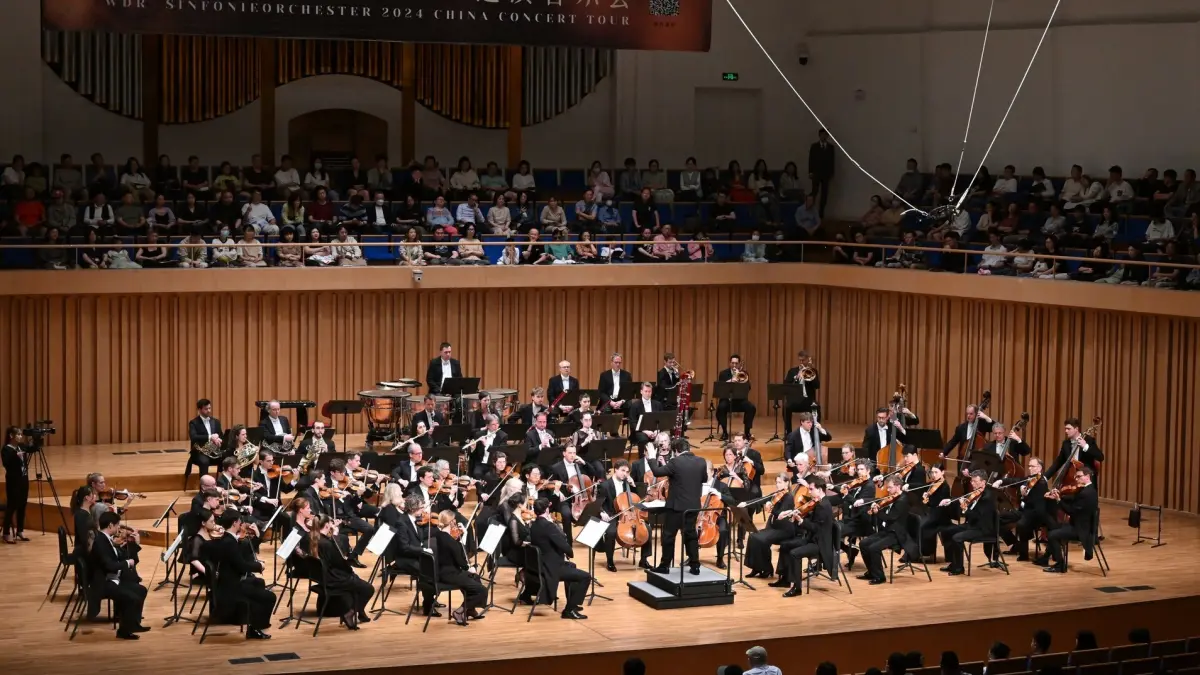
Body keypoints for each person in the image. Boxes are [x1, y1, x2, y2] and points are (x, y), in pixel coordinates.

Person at [208, 510, 275, 639]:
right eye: (239, 521)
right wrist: (258, 566)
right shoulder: (229, 543)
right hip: (231, 589)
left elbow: (241, 556)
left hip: (227, 584)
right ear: (234, 523)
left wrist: (257, 538)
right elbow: (241, 566)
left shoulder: (227, 539)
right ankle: (255, 629)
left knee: (257, 584)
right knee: (269, 597)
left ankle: (254, 625)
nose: (241, 524)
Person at [650, 437, 710, 574]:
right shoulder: (701, 461)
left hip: (676, 507)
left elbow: (657, 472)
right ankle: (695, 565)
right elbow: (704, 479)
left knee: (668, 535)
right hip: (693, 506)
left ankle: (665, 565)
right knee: (690, 535)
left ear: (676, 450)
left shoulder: (675, 462)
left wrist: (652, 458)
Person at [91, 511, 151, 639]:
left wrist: (133, 544)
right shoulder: (100, 541)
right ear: (110, 525)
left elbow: (119, 557)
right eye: (117, 525)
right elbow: (109, 565)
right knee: (131, 597)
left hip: (112, 579)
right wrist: (127, 563)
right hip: (104, 584)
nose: (119, 528)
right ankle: (124, 631)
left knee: (141, 590)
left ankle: (133, 624)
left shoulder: (105, 539)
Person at [529, 497, 591, 620]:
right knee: (586, 577)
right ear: (547, 510)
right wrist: (568, 549)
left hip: (542, 564)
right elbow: (564, 545)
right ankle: (569, 610)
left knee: (572, 567)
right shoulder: (548, 526)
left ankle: (572, 603)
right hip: (552, 568)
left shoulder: (534, 525)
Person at [309, 515, 373, 629]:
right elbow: (340, 561)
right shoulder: (326, 544)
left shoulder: (317, 539)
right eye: (330, 522)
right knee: (368, 589)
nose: (332, 524)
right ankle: (349, 613)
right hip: (335, 579)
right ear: (327, 525)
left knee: (357, 582)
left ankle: (360, 612)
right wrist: (336, 535)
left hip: (327, 576)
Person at [938, 470, 999, 575]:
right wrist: (950, 501)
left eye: (975, 481)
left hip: (982, 529)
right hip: (972, 525)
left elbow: (977, 516)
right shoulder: (976, 493)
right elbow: (964, 500)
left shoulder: (987, 497)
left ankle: (959, 568)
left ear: (983, 482)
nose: (972, 483)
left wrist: (966, 509)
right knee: (947, 531)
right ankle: (953, 562)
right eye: (972, 481)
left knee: (957, 538)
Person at [1041, 466, 1098, 574]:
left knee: (1052, 535)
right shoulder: (1089, 489)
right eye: (1076, 477)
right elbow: (1073, 498)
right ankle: (1046, 558)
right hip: (1079, 525)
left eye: (1079, 476)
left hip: (1080, 530)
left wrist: (1058, 500)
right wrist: (1059, 495)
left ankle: (1060, 565)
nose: (1076, 479)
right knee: (1053, 527)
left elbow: (1071, 511)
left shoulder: (1086, 493)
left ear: (1087, 476)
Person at [857, 475, 913, 585]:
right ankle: (872, 572)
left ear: (898, 486)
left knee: (873, 548)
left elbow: (890, 518)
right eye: (887, 487)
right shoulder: (893, 497)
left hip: (897, 534)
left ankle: (880, 577)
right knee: (863, 543)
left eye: (890, 487)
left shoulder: (902, 500)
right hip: (888, 531)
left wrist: (878, 512)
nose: (888, 490)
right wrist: (877, 506)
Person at [716, 354, 756, 441]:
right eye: (732, 363)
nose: (734, 365)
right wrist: (731, 380)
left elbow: (748, 387)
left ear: (739, 364)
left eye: (736, 363)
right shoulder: (723, 373)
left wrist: (740, 381)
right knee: (721, 407)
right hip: (727, 400)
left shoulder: (744, 373)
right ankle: (725, 432)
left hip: (740, 400)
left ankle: (747, 432)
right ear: (729, 363)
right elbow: (720, 387)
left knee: (751, 407)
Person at [2, 427, 29, 543]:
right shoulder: (6, 449)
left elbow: (32, 449)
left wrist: (37, 440)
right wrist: (16, 454)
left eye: (21, 434)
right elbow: (6, 464)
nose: (20, 436)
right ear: (11, 435)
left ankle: (20, 530)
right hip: (13, 481)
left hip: (23, 479)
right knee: (12, 506)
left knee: (22, 505)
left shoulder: (21, 446)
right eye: (18, 434)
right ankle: (6, 533)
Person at [187, 398, 223, 480]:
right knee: (204, 461)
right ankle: (204, 486)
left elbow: (221, 435)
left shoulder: (216, 421)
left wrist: (219, 440)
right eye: (206, 409)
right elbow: (193, 437)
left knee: (227, 459)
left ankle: (222, 482)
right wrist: (210, 437)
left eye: (209, 408)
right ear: (199, 410)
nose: (209, 410)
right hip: (199, 453)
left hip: (214, 451)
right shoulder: (194, 423)